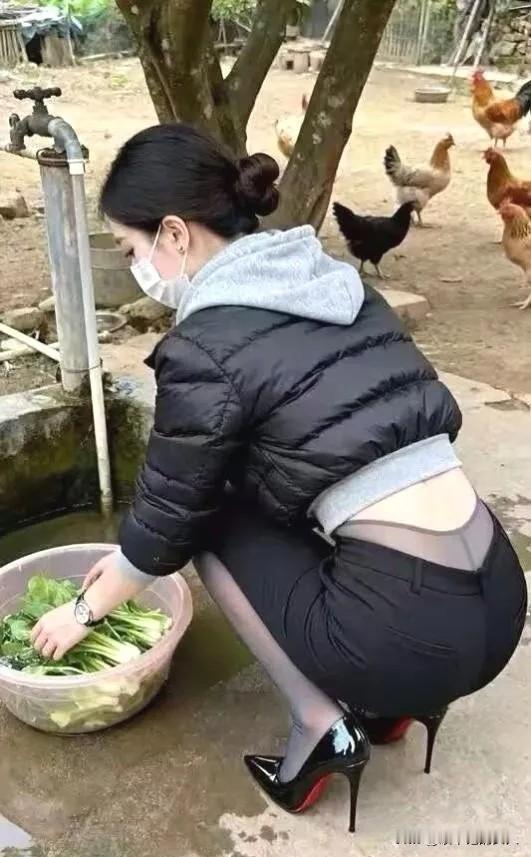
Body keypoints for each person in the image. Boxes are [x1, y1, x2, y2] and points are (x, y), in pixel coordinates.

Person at [31, 124, 527, 833]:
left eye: (131, 249)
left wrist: (80, 614)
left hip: (406, 632)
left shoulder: (205, 345)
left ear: (174, 233)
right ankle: (393, 705)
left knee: (209, 519)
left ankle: (320, 724)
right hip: (500, 602)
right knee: (301, 497)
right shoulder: (335, 283)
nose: (136, 266)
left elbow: (166, 525)